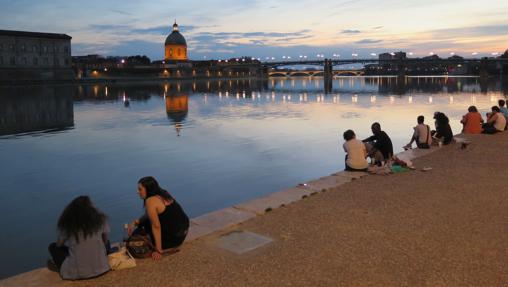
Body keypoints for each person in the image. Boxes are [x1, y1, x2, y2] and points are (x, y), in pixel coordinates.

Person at [48, 196, 110, 280]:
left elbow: (59, 244)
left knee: (52, 247)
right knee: (107, 244)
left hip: (77, 273)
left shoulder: (69, 224)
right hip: (103, 269)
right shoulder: (100, 220)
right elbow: (105, 241)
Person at [130, 176, 190, 260]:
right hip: (182, 232)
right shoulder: (163, 193)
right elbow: (150, 214)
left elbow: (156, 226)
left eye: (140, 189)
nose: (137, 192)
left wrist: (158, 250)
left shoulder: (150, 201)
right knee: (144, 222)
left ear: (148, 189)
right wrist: (137, 221)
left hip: (173, 239)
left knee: (137, 234)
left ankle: (165, 247)